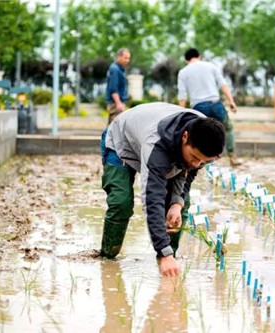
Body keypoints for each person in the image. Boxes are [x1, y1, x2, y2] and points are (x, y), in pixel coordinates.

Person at [100, 102, 225, 277]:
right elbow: (152, 198)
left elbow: (187, 174)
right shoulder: (156, 145)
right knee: (121, 202)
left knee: (179, 207)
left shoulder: (208, 138)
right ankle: (108, 259)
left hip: (166, 148)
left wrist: (177, 203)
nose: (197, 164)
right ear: (185, 137)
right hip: (122, 143)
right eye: (195, 157)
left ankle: (168, 262)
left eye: (203, 161)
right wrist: (163, 251)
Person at [177, 48, 241, 167]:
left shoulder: (183, 72)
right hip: (215, 103)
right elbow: (223, 84)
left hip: (198, 106)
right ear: (199, 56)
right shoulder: (211, 66)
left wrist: (180, 113)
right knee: (227, 129)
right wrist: (231, 101)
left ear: (186, 60)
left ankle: (204, 161)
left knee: (200, 134)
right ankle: (232, 156)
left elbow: (182, 94)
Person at [105, 48, 131, 124]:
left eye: (128, 58)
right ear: (119, 57)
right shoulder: (115, 69)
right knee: (113, 130)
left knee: (114, 130)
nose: (127, 60)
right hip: (115, 104)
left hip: (118, 103)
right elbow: (113, 88)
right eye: (125, 58)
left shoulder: (119, 69)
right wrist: (118, 103)